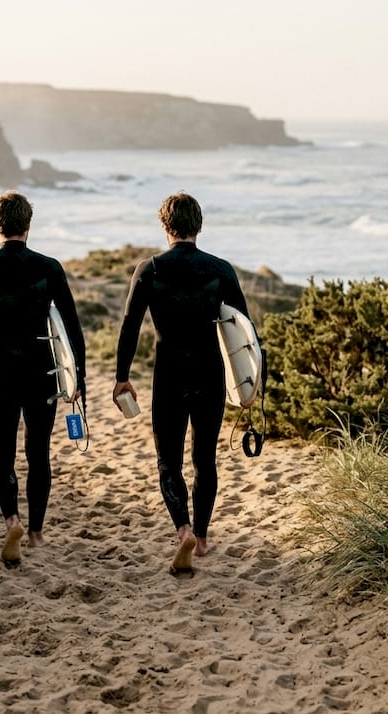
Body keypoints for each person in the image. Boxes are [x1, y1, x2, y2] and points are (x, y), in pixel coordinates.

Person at [113, 192, 252, 576]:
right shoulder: (221, 270)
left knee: (168, 462)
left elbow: (129, 326)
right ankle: (204, 537)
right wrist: (249, 387)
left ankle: (184, 530)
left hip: (169, 376)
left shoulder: (150, 269)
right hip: (210, 375)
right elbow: (245, 335)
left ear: (165, 225)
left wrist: (122, 377)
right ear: (199, 225)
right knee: (204, 460)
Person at [0, 190, 87, 565]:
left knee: (2, 455)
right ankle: (36, 533)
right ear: (28, 225)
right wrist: (79, 384)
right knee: (39, 453)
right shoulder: (49, 267)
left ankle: (11, 519)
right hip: (41, 373)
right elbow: (73, 331)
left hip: (1, 373)